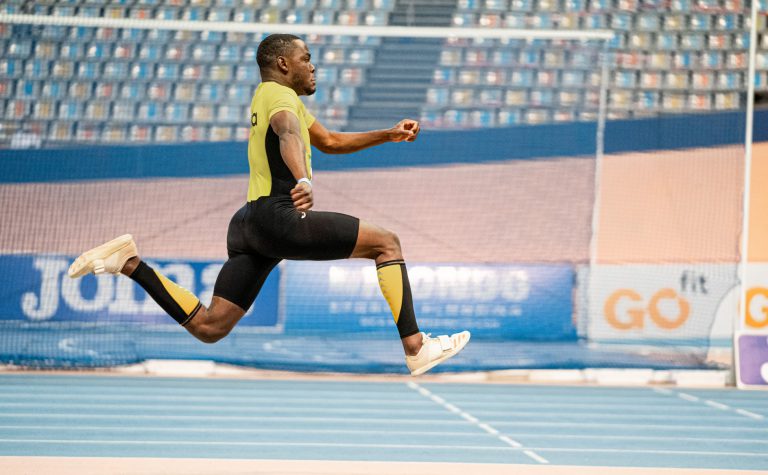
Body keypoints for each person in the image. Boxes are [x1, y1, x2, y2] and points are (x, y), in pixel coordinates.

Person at [68, 34, 470, 376]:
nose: (313, 67)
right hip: (279, 217)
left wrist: (388, 134)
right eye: (306, 59)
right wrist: (303, 179)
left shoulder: (277, 96)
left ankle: (129, 262)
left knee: (210, 327)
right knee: (387, 243)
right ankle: (417, 347)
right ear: (283, 63)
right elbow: (287, 133)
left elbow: (329, 142)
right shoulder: (279, 98)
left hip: (249, 225)